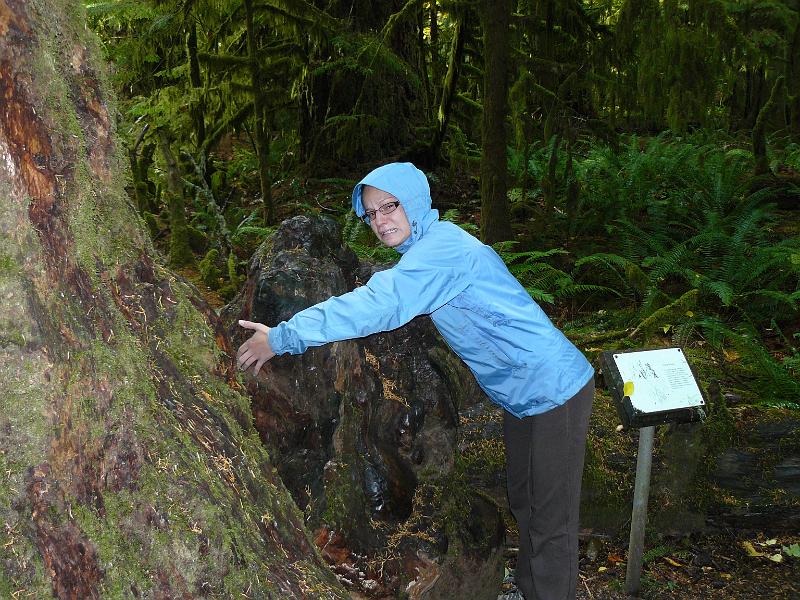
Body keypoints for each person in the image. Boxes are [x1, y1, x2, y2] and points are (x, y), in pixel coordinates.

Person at [237, 162, 594, 600]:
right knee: (524, 500)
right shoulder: (425, 254)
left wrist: (284, 336)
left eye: (390, 206)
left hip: (555, 388)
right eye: (371, 214)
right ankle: (529, 589)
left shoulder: (443, 252)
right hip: (524, 396)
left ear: (416, 202)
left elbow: (382, 304)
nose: (380, 220)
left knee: (552, 520)